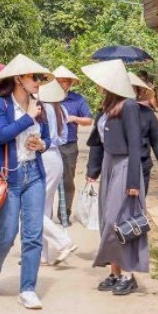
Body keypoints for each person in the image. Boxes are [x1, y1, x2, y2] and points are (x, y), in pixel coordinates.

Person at [0, 54, 52, 310]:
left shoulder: (38, 105)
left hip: (34, 173)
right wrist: (27, 117)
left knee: (33, 235)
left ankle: (28, 289)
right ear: (19, 79)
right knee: (8, 233)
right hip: (8, 176)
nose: (38, 82)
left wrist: (42, 144)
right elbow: (0, 135)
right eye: (35, 77)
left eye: (40, 78)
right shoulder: (0, 104)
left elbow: (47, 138)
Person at [82, 59, 150, 297]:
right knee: (106, 220)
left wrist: (133, 181)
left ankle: (129, 275)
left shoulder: (129, 106)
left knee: (119, 219)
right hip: (109, 165)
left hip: (124, 166)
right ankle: (115, 272)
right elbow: (97, 143)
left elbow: (135, 146)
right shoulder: (105, 107)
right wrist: (93, 171)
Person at [38, 78, 79, 264]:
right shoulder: (61, 109)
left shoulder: (39, 109)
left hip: (42, 156)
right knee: (45, 207)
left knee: (33, 209)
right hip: (56, 157)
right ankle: (42, 254)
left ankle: (63, 241)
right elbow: (63, 138)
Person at [51, 66, 93, 226]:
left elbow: (88, 119)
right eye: (59, 81)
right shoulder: (47, 99)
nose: (62, 84)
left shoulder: (77, 99)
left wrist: (74, 118)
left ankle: (64, 214)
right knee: (48, 180)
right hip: (50, 145)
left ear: (70, 83)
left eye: (65, 81)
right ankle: (45, 215)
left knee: (68, 180)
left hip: (69, 144)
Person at [129, 72, 158, 196]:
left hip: (142, 166)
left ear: (138, 92)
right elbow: (98, 143)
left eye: (132, 89)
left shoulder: (147, 114)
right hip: (118, 166)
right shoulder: (112, 114)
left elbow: (156, 141)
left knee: (139, 207)